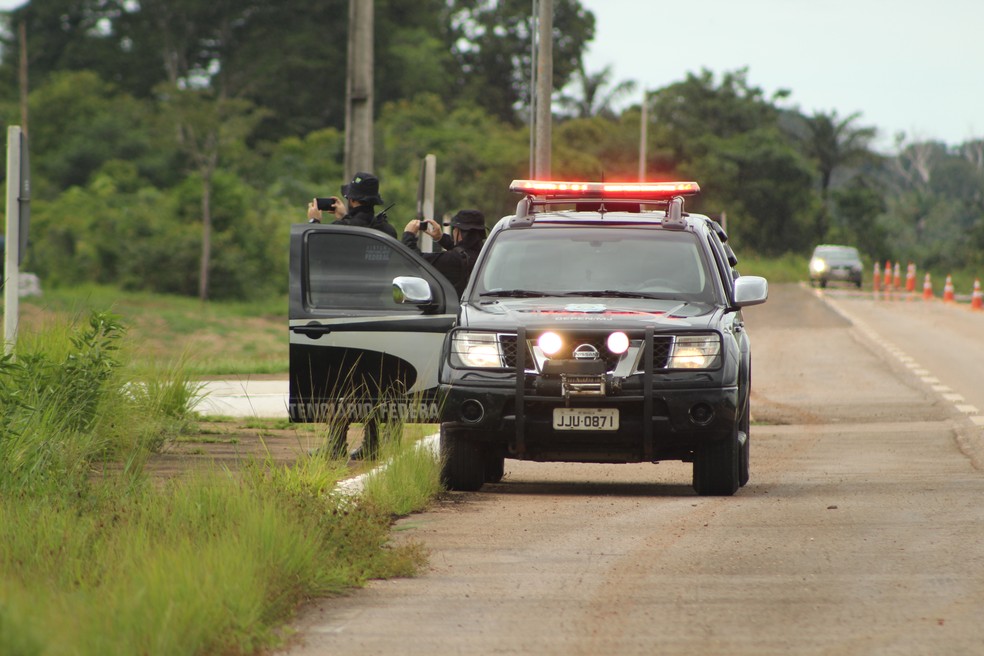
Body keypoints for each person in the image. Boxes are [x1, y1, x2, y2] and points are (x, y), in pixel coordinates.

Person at [307, 171, 395, 461]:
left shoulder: (343, 231)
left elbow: (318, 254)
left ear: (351, 198)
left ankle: (335, 445)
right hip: (379, 314)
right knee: (374, 383)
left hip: (345, 314)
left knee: (342, 384)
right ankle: (374, 445)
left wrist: (314, 223)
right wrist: (346, 217)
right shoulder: (385, 229)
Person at [402, 209, 486, 296]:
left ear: (460, 232)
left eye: (454, 229)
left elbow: (414, 261)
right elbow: (464, 252)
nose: (453, 232)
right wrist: (440, 238)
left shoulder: (454, 260)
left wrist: (409, 235)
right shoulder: (486, 253)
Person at [307, 171, 397, 238]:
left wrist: (314, 222)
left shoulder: (339, 229)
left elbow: (316, 249)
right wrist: (345, 216)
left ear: (352, 200)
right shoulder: (388, 232)